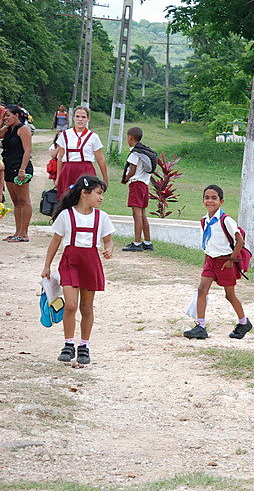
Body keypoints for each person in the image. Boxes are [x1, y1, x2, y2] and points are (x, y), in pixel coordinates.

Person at [41, 176, 115, 365]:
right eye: (98, 193)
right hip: (70, 262)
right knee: (71, 305)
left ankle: (84, 345)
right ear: (84, 193)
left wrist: (109, 248)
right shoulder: (66, 215)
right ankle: (68, 344)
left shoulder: (102, 217)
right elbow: (55, 242)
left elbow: (108, 240)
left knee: (87, 307)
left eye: (102, 194)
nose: (101, 198)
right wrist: (47, 266)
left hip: (91, 263)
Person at [184, 185, 252, 340]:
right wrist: (205, 263)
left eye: (214, 198)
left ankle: (244, 322)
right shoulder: (204, 221)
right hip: (210, 261)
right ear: (203, 201)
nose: (210, 201)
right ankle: (200, 326)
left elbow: (239, 240)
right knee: (202, 290)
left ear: (221, 201)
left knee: (229, 295)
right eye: (207, 197)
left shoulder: (226, 220)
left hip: (225, 261)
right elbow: (207, 244)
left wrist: (231, 261)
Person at [55, 106, 109, 198]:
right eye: (77, 116)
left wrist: (105, 179)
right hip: (68, 170)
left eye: (83, 117)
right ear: (73, 117)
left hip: (86, 170)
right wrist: (58, 177)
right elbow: (60, 157)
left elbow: (100, 159)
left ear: (88, 119)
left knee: (87, 198)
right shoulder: (65, 134)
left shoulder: (93, 136)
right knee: (67, 199)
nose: (80, 119)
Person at [0, 105, 34, 242]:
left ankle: (24, 233)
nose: (6, 118)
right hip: (8, 166)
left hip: (20, 167)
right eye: (5, 115)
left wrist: (22, 170)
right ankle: (17, 232)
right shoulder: (8, 130)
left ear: (17, 115)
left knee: (24, 200)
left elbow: (27, 150)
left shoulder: (23, 129)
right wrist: (2, 121)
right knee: (16, 201)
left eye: (8, 115)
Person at [120, 127, 153, 252]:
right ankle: (147, 242)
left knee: (136, 214)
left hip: (136, 185)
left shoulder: (135, 153)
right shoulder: (144, 152)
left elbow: (132, 170)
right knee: (143, 213)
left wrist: (125, 179)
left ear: (130, 138)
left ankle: (137, 243)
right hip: (145, 184)